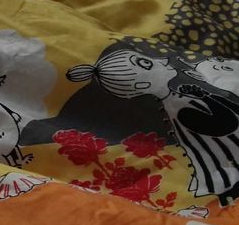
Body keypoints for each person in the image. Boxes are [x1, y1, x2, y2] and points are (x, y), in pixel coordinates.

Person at [69, 47, 239, 205]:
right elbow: (226, 125)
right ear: (141, 85)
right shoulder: (181, 108)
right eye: (147, 63)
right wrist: (204, 97)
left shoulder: (180, 100)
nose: (163, 60)